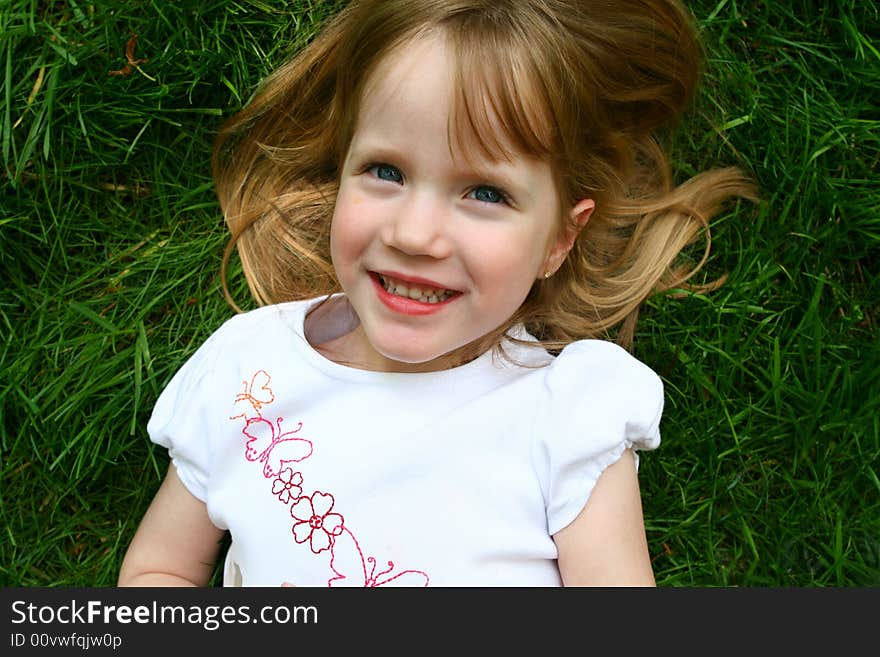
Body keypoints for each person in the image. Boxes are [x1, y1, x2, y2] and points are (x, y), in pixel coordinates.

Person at [118, 0, 755, 587]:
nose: (416, 234)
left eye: (485, 193)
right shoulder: (248, 369)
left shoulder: (563, 416)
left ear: (560, 240)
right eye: (386, 172)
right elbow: (160, 571)